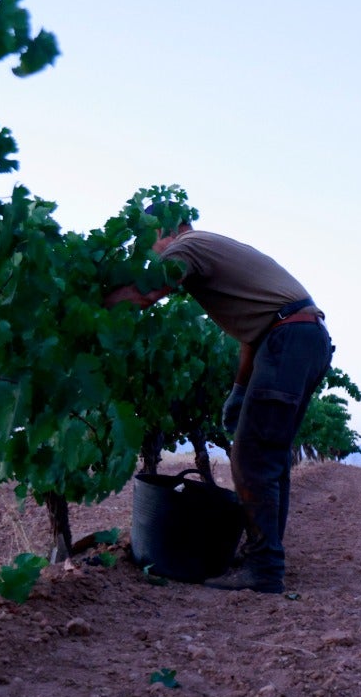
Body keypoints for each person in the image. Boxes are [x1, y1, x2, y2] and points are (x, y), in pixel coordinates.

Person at [105, 216, 333, 594]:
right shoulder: (215, 248)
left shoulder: (187, 248)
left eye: (150, 242)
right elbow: (253, 331)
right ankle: (265, 556)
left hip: (289, 339)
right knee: (270, 458)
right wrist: (239, 389)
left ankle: (264, 568)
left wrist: (94, 306)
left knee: (253, 458)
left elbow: (146, 294)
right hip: (302, 338)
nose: (150, 252)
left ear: (167, 231)